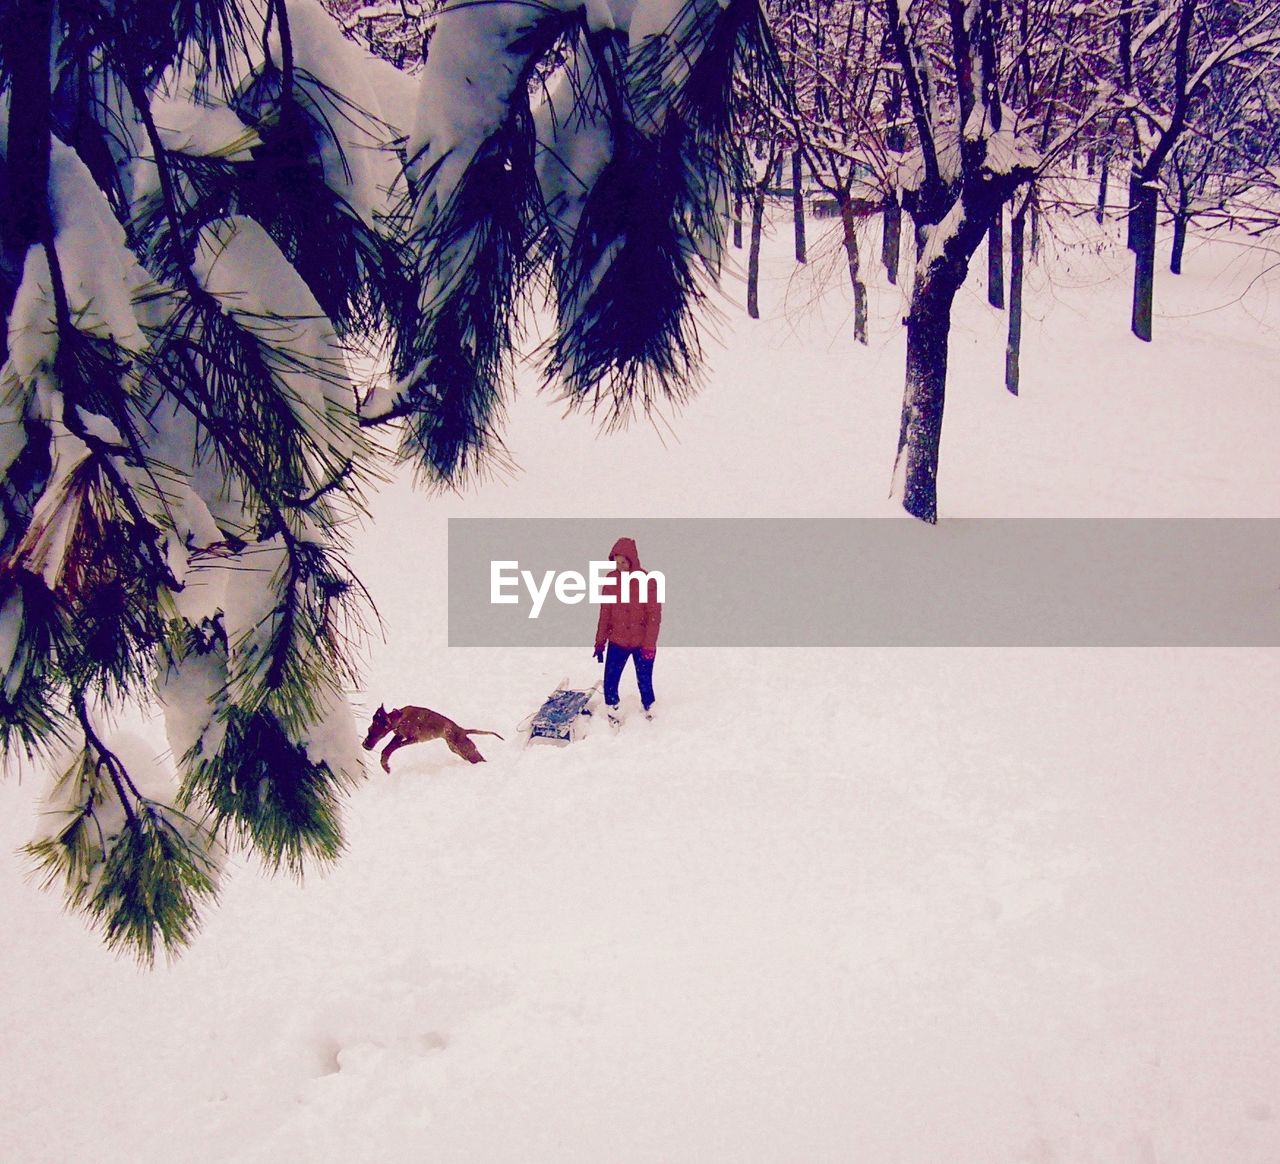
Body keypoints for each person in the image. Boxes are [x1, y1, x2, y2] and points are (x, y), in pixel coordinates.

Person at [593, 536, 661, 723]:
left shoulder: (647, 580)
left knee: (645, 682)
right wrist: (600, 642)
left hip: (642, 643)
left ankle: (650, 710)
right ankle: (612, 712)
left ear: (632, 560)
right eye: (617, 562)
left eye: (624, 561)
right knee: (610, 681)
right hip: (618, 642)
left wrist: (649, 646)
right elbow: (605, 614)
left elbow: (654, 617)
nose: (620, 565)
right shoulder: (611, 580)